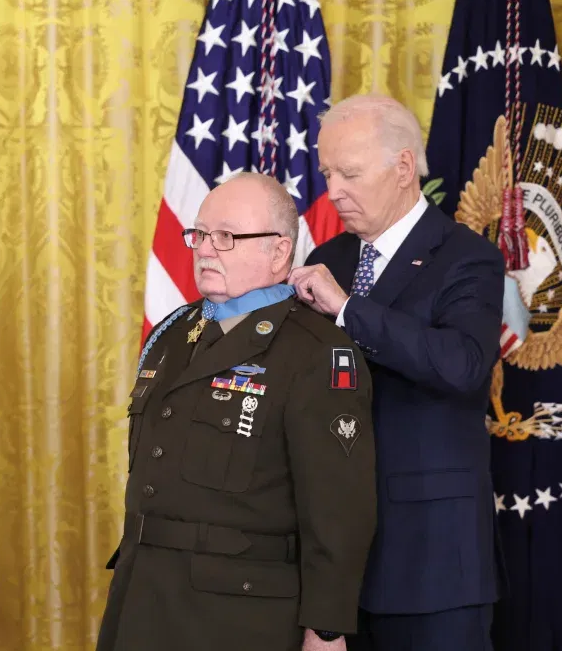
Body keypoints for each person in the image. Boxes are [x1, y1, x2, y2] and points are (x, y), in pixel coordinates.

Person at [97, 172, 377, 651]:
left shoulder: (317, 351)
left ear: (278, 252)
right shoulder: (171, 333)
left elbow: (338, 509)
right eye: (200, 234)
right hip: (144, 598)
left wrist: (326, 628)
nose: (205, 249)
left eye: (226, 237)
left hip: (240, 614)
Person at [288, 94, 505, 651]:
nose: (332, 191)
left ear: (404, 167)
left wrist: (347, 310)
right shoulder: (329, 258)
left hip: (434, 565)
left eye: (350, 173)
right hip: (336, 566)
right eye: (328, 172)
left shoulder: (466, 257)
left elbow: (463, 365)